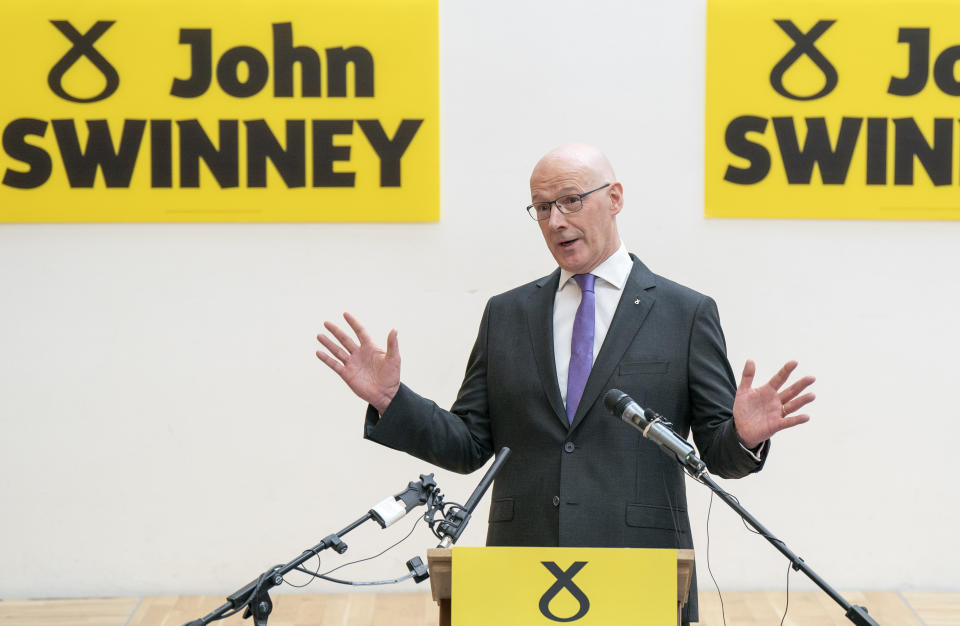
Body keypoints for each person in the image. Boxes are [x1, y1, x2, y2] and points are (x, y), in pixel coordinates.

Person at [316, 143, 815, 624]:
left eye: (571, 200)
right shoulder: (507, 314)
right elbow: (469, 444)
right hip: (522, 565)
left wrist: (744, 435)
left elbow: (716, 455)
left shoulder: (685, 313)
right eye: (541, 208)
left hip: (640, 566)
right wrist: (390, 400)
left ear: (615, 198)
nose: (556, 221)